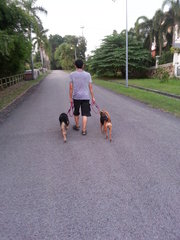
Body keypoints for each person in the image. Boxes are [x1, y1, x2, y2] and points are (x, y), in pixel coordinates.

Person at [69, 59, 95, 135]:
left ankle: (77, 126)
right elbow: (90, 87)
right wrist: (93, 97)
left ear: (75, 66)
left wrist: (70, 97)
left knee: (76, 112)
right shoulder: (88, 75)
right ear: (83, 65)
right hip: (86, 97)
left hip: (76, 97)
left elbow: (71, 87)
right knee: (85, 114)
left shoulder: (72, 74)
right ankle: (84, 130)